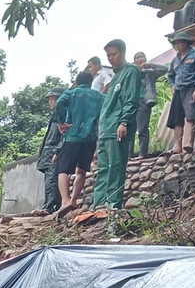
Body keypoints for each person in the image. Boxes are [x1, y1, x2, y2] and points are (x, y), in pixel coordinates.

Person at [93, 39, 141, 210]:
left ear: (123, 52)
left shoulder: (131, 72)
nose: (111, 58)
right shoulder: (115, 76)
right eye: (108, 55)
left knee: (116, 166)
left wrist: (124, 122)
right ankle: (98, 205)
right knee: (103, 168)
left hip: (118, 127)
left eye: (114, 54)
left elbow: (130, 99)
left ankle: (112, 205)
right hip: (105, 129)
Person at [54, 71, 102, 217]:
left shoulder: (71, 93)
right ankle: (74, 200)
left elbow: (59, 103)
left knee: (62, 169)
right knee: (81, 171)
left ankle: (65, 201)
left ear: (77, 81)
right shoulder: (99, 96)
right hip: (90, 138)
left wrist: (61, 122)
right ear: (91, 82)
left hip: (72, 136)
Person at [166, 32, 195, 154]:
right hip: (178, 90)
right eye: (177, 43)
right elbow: (170, 75)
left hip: (191, 87)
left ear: (186, 43)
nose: (179, 45)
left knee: (190, 115)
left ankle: (189, 143)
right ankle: (177, 146)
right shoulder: (175, 60)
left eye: (181, 42)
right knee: (176, 119)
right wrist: (172, 86)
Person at [36, 90, 65, 213]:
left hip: (54, 150)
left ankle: (49, 207)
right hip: (48, 152)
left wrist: (57, 151)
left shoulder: (63, 115)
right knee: (50, 179)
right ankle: (53, 206)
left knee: (51, 180)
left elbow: (64, 135)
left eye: (52, 99)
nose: (50, 102)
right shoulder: (55, 116)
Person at [133, 51, 165, 157]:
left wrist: (149, 65)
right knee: (130, 129)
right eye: (137, 57)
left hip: (144, 101)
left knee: (142, 128)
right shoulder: (132, 73)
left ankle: (142, 153)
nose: (140, 59)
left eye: (142, 57)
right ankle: (129, 154)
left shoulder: (150, 72)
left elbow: (165, 69)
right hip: (131, 102)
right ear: (134, 61)